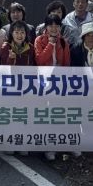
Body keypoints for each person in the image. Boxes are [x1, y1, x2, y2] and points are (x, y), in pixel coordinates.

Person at [35, 14, 70, 161]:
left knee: (60, 114)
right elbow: (40, 60)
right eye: (51, 25)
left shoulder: (63, 42)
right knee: (47, 114)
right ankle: (49, 147)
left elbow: (66, 63)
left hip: (59, 82)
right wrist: (50, 45)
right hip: (44, 83)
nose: (54, 28)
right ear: (46, 27)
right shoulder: (39, 40)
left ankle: (63, 144)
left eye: (57, 25)